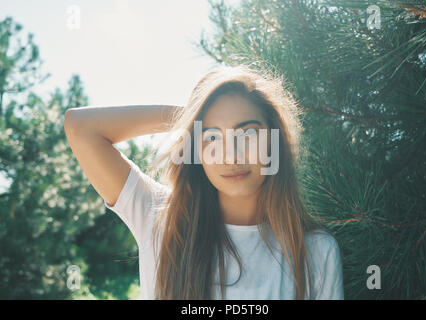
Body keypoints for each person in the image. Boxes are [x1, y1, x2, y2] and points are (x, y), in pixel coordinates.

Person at [64, 64, 344, 300]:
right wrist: (188, 116)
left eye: (247, 134)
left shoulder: (316, 250)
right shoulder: (161, 217)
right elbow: (81, 127)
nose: (230, 156)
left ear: (274, 141)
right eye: (212, 137)